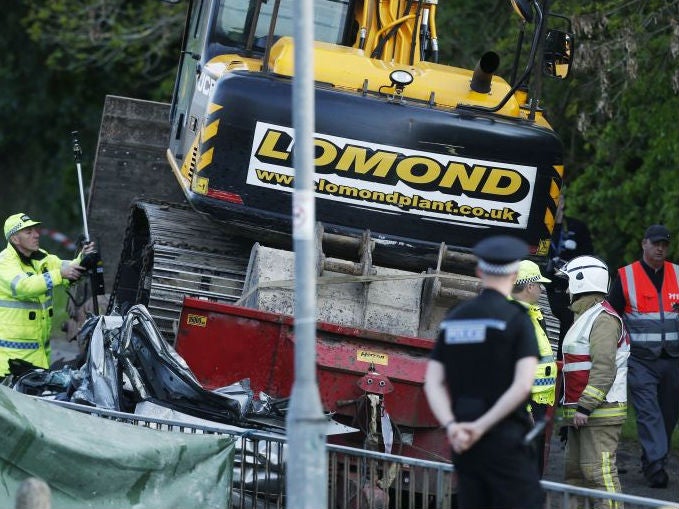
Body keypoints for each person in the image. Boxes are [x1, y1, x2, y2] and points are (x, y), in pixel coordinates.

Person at [424, 235, 543, 509]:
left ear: (479, 271)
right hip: (504, 440)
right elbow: (523, 386)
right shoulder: (517, 319)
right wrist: (481, 427)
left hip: (463, 442)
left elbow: (433, 383)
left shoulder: (454, 318)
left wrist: (453, 426)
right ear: (514, 275)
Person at [607, 224, 679, 488]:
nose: (660, 248)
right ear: (644, 243)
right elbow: (611, 317)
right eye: (656, 243)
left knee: (670, 414)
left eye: (665, 244)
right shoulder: (626, 277)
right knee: (649, 412)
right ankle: (658, 466)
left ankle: (651, 459)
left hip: (672, 359)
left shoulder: (678, 275)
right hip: (640, 360)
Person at [559, 255, 629, 506]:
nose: (566, 289)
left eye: (569, 282)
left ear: (581, 280)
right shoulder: (586, 316)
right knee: (575, 479)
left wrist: (586, 405)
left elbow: (604, 367)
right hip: (583, 414)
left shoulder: (603, 320)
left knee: (600, 476)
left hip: (598, 413)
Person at [0, 213, 94, 377]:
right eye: (28, 232)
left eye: (35, 230)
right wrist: (60, 274)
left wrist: (83, 258)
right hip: (10, 363)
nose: (36, 234)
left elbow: (66, 267)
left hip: (39, 359)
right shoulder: (4, 262)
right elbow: (24, 286)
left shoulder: (40, 257)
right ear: (15, 239)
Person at [511, 260, 557, 477]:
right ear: (529, 286)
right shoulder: (516, 318)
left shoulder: (530, 314)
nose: (541, 289)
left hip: (535, 405)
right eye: (539, 284)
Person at [546, 191, 594, 358]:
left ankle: (562, 382)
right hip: (545, 294)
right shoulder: (540, 230)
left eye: (557, 200)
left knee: (565, 347)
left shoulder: (577, 228)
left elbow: (588, 260)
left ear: (562, 203)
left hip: (570, 296)